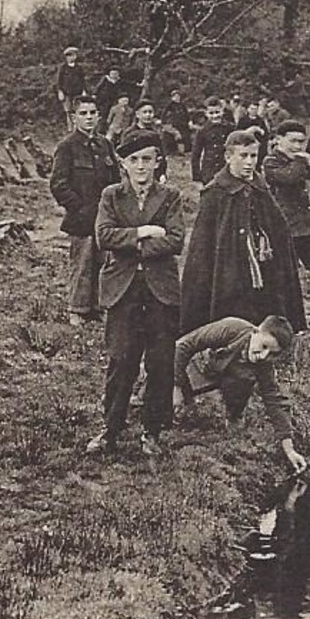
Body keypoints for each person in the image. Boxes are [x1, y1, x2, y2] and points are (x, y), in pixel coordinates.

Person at [87, 131, 185, 456]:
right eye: (134, 160)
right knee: (121, 360)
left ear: (158, 162)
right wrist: (143, 232)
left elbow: (175, 241)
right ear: (123, 163)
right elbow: (103, 236)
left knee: (159, 362)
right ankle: (111, 429)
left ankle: (152, 430)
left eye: (147, 159)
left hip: (161, 292)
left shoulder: (170, 196)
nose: (141, 166)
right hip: (122, 290)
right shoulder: (111, 196)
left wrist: (130, 244)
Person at [181, 130, 306, 334]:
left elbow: (279, 231)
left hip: (264, 269)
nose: (249, 162)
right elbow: (202, 248)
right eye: (243, 156)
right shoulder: (215, 193)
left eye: (254, 156)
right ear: (228, 157)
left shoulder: (261, 189)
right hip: (230, 274)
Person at [174, 315, 308, 473]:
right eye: (264, 346)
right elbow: (182, 346)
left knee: (244, 379)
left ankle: (233, 417)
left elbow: (274, 400)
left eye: (271, 354)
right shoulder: (231, 328)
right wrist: (176, 387)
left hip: (219, 380)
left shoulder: (263, 363)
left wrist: (289, 450)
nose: (263, 355)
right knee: (152, 403)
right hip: (195, 369)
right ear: (256, 331)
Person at [50, 98, 119, 324]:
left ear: (99, 115)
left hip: (106, 218)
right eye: (83, 113)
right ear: (74, 118)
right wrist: (79, 207)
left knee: (105, 262)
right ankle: (77, 310)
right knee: (82, 263)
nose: (89, 117)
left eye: (92, 112)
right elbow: (58, 184)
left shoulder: (105, 145)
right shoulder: (67, 146)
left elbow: (116, 180)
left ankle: (98, 307)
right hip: (82, 218)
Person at [262, 121, 310, 324]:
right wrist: (303, 160)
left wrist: (307, 162)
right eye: (292, 141)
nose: (298, 146)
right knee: (286, 276)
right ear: (278, 139)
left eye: (301, 141)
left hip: (304, 226)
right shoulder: (270, 161)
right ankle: (285, 320)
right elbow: (289, 178)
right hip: (284, 227)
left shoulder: (297, 161)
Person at [190, 97, 232, 185]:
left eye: (217, 112)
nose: (215, 116)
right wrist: (197, 178)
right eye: (211, 113)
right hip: (209, 172)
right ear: (206, 113)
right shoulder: (203, 131)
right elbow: (195, 155)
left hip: (226, 171)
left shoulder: (230, 128)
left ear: (222, 111)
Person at [53, 47, 88, 130]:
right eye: (68, 56)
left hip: (78, 93)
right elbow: (58, 81)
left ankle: (78, 128)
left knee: (78, 110)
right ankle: (70, 129)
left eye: (72, 56)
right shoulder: (63, 68)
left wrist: (84, 91)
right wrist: (60, 91)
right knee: (68, 111)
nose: (70, 58)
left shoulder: (79, 68)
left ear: (75, 56)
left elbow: (82, 80)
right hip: (67, 93)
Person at [160, 89, 193, 155]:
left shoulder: (182, 105)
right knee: (175, 137)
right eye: (175, 96)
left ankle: (186, 150)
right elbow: (164, 114)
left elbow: (187, 114)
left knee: (185, 137)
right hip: (174, 124)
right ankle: (174, 151)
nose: (177, 98)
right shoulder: (169, 106)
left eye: (178, 96)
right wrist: (164, 122)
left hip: (183, 124)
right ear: (172, 97)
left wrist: (189, 121)